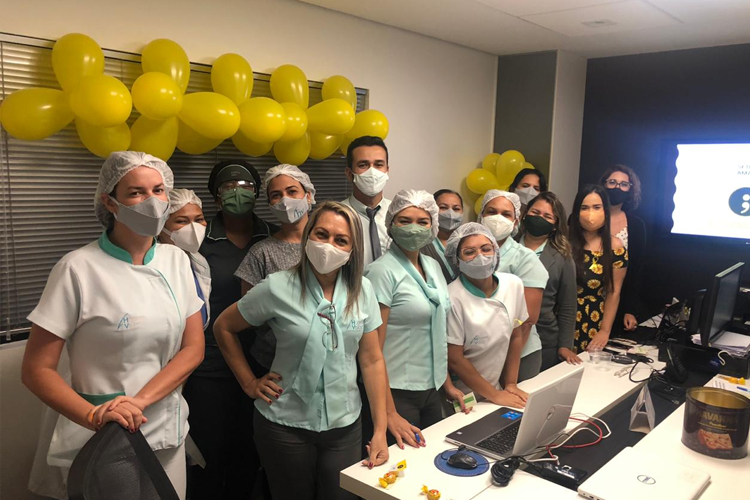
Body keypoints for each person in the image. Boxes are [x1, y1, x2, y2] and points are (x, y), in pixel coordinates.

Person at [21, 151, 205, 500]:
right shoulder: (77, 269)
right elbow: (36, 369)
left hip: (166, 426)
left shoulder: (177, 260)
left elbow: (193, 348)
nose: (152, 201)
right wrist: (94, 415)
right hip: (103, 432)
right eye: (136, 192)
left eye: (159, 190)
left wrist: (140, 402)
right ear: (110, 202)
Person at [213, 202, 389, 500]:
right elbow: (224, 327)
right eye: (321, 234)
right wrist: (249, 382)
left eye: (341, 240)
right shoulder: (277, 287)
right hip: (284, 424)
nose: (329, 245)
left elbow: (372, 360)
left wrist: (380, 430)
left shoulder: (363, 289)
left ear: (352, 250)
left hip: (344, 425)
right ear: (308, 236)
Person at [186, 160, 278, 500]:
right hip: (210, 362)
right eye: (228, 186)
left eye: (246, 185)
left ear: (257, 192)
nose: (238, 192)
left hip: (264, 359)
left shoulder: (273, 235)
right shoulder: (198, 237)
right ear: (215, 195)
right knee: (209, 452)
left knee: (250, 451)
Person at [365, 189, 467, 450]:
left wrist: (447, 384)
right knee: (401, 465)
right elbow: (372, 351)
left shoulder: (432, 265)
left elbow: (436, 331)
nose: (414, 228)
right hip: (396, 393)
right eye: (405, 221)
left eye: (422, 222)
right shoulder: (381, 273)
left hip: (432, 388)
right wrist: (389, 413)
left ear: (432, 226)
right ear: (391, 224)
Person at [235, 164, 316, 377]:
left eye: (292, 191)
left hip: (326, 357)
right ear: (270, 204)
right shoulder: (261, 253)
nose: (285, 200)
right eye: (276, 195)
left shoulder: (329, 245)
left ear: (308, 195)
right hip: (273, 364)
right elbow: (248, 315)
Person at [445, 223, 528, 407]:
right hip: (463, 394)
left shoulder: (513, 284)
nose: (480, 256)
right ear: (457, 260)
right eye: (469, 252)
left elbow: (516, 335)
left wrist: (511, 384)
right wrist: (495, 395)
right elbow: (455, 359)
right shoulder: (452, 297)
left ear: (496, 252)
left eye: (486, 249)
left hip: (497, 388)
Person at [478, 190, 549, 384]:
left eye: (506, 214)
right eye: (491, 212)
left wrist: (505, 369)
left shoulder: (525, 259)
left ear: (516, 221)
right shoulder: (469, 252)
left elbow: (526, 321)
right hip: (479, 351)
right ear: (481, 216)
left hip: (517, 355)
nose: (497, 218)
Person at [517, 192, 580, 371]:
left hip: (544, 339)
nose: (539, 219)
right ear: (525, 214)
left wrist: (565, 345)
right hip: (502, 334)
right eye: (535, 213)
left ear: (555, 225)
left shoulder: (562, 256)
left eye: (547, 216)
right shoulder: (506, 246)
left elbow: (568, 305)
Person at [569, 185, 628, 353]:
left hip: (593, 320)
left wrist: (604, 331)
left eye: (596, 207)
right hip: (561, 317)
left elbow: (613, 292)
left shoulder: (615, 246)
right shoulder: (563, 241)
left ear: (605, 211)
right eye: (584, 208)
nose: (590, 213)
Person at [599, 165, 646, 332]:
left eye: (623, 184)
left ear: (631, 190)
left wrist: (630, 309)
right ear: (604, 185)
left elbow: (636, 270)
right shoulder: (586, 218)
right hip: (583, 298)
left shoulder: (636, 225)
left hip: (619, 301)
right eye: (612, 182)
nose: (617, 188)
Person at [158, 188, 211, 331]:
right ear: (161, 225)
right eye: (182, 221)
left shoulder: (198, 261)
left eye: (199, 219)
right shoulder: (152, 265)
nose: (193, 228)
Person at [341, 136, 392, 267]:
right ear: (349, 173)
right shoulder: (336, 215)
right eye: (363, 165)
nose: (372, 172)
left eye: (379, 164)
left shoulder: (399, 214)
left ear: (387, 171)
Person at [420, 189, 463, 283]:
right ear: (432, 210)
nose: (450, 213)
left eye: (456, 209)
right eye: (443, 207)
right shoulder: (421, 244)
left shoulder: (468, 241)